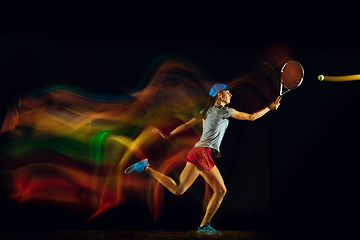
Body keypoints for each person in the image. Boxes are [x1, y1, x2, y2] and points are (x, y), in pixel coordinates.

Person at [124, 83, 280, 235]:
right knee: (220, 190)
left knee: (179, 190)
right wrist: (269, 107)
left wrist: (168, 134)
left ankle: (145, 168)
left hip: (196, 152)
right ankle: (204, 225)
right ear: (219, 95)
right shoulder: (225, 111)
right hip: (203, 153)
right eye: (227, 92)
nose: (230, 94)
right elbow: (251, 117)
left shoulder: (205, 111)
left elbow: (186, 125)